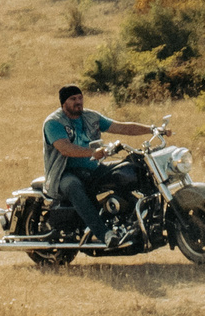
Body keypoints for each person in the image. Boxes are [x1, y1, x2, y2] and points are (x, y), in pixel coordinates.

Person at [43, 84, 154, 243]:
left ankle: (138, 220)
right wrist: (92, 152)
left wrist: (151, 129)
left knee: (126, 170)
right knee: (73, 186)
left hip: (92, 168)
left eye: (80, 98)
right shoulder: (54, 122)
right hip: (64, 173)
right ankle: (105, 234)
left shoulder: (91, 117)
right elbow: (65, 148)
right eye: (73, 99)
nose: (78, 102)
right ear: (63, 103)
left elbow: (121, 127)